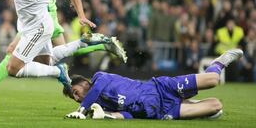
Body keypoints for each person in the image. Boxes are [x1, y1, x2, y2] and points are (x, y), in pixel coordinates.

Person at [64, 49, 244, 120]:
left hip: (161, 88)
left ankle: (220, 62)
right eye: (75, 98)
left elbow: (96, 90)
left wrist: (82, 110)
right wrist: (108, 117)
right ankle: (195, 106)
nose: (77, 97)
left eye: (75, 91)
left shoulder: (99, 78)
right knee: (215, 106)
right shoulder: (99, 105)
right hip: (161, 111)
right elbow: (128, 114)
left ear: (84, 82)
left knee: (212, 80)